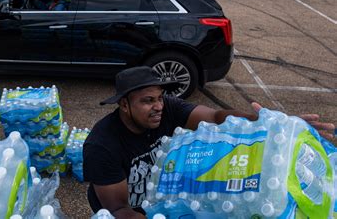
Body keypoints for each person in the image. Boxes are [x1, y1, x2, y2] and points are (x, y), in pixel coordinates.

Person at [83, 66, 335, 218]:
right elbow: (118, 209)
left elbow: (216, 117)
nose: (158, 106)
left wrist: (271, 123)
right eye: (148, 101)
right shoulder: (102, 145)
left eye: (160, 97)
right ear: (124, 105)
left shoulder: (167, 109)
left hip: (164, 195)